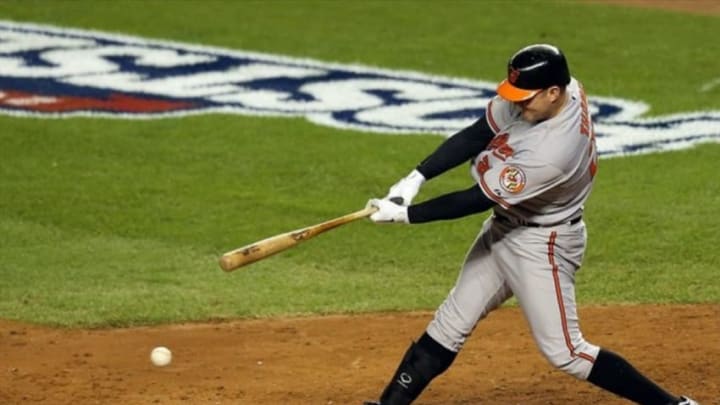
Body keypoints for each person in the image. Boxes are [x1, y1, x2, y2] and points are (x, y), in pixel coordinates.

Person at [363, 44, 698, 405]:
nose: (518, 104)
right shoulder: (560, 88)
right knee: (450, 324)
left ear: (553, 93)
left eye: (525, 98)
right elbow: (479, 132)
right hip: (505, 229)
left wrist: (406, 215)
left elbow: (478, 199)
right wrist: (415, 178)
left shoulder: (554, 151)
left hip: (543, 245)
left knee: (567, 352)